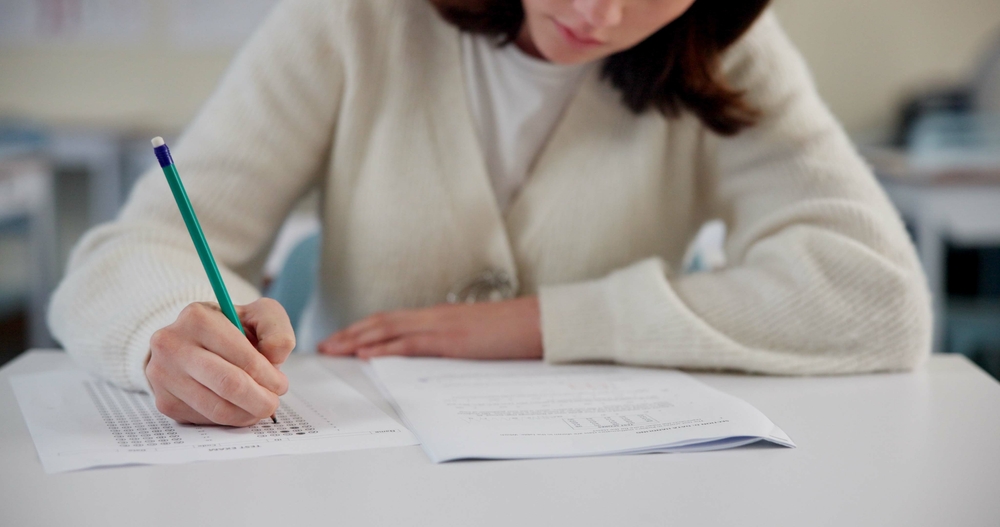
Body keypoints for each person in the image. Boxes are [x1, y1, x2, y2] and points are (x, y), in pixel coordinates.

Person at [48, 0, 932, 427]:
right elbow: (136, 247)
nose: (601, 12)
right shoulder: (356, 17)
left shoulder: (720, 51)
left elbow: (877, 294)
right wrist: (167, 332)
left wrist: (542, 324)